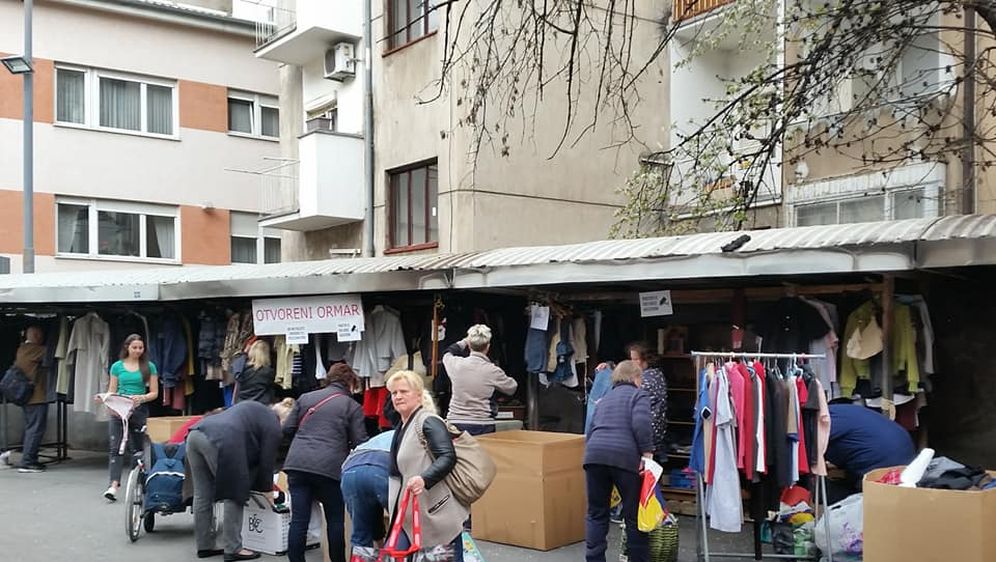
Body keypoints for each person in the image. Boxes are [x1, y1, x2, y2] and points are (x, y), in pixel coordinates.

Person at [282, 364, 367, 562]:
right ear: (351, 383)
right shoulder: (351, 406)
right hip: (330, 468)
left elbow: (287, 429)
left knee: (299, 521)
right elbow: (360, 442)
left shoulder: (305, 398)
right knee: (335, 520)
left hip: (297, 464)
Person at [187, 400, 287, 561]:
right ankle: (233, 548)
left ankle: (204, 545)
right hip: (220, 440)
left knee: (202, 494)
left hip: (196, 433)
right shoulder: (273, 426)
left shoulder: (258, 409)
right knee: (234, 491)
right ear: (284, 420)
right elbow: (267, 461)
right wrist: (268, 490)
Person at [386, 370, 467, 561]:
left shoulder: (428, 421)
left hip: (435, 515)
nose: (397, 396)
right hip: (410, 513)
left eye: (403, 391)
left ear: (418, 394)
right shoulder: (404, 424)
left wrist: (424, 479)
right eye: (394, 393)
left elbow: (448, 456)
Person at [583, 360, 654, 562]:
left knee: (597, 513)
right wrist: (647, 452)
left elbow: (591, 428)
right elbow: (641, 423)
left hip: (594, 456)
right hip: (625, 458)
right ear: (635, 378)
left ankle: (594, 558)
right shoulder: (638, 395)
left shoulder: (605, 398)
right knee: (634, 516)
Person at [103, 333, 159, 501]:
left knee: (138, 449)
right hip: (119, 410)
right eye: (134, 347)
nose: (137, 351)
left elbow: (154, 393)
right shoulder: (117, 367)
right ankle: (113, 485)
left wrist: (141, 398)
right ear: (127, 347)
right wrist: (107, 401)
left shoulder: (149, 367)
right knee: (116, 447)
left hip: (139, 410)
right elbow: (112, 390)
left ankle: (138, 484)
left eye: (140, 348)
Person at [824, 402, 916, 502]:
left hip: (882, 467)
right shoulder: (834, 412)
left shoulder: (823, 421)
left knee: (829, 493)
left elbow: (811, 453)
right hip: (900, 456)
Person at [443, 324, 518, 435]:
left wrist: (464, 341)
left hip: (455, 423)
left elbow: (447, 353)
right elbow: (512, 388)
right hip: (482, 424)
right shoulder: (493, 371)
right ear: (488, 346)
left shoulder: (456, 364)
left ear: (469, 345)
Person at [341, 429, 394, 549]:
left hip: (350, 470)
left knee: (360, 535)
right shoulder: (410, 435)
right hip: (381, 469)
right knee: (401, 528)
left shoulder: (378, 438)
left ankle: (370, 555)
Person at [627, 343, 668, 463]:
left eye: (635, 359)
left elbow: (631, 402)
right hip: (655, 433)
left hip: (647, 433)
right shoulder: (656, 374)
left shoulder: (647, 380)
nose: (632, 363)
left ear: (645, 359)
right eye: (631, 359)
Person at [15, 326, 48, 473]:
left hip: (28, 397)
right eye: (41, 335)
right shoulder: (32, 349)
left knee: (31, 428)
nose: (42, 339)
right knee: (35, 429)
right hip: (35, 397)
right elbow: (51, 352)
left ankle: (30, 459)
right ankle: (27, 461)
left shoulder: (22, 348)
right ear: (35, 335)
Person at [236, 340, 275, 405]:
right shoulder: (268, 372)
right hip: (261, 404)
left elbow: (236, 358)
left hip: (242, 403)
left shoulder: (241, 368)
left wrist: (245, 352)